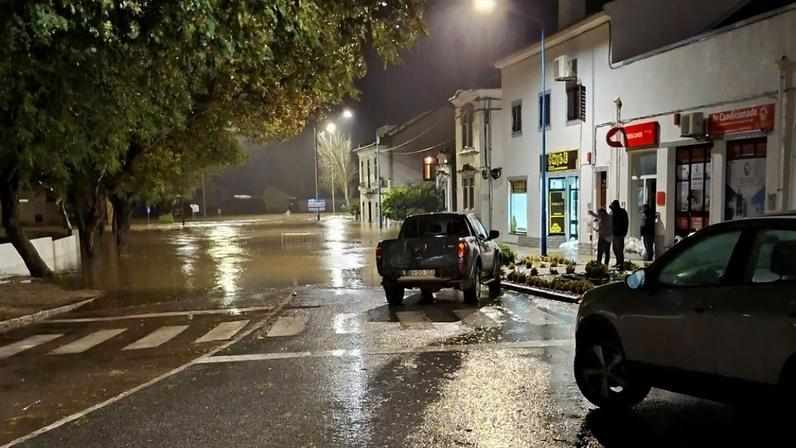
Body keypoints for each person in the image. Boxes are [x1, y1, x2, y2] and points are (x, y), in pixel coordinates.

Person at [609, 200, 628, 269]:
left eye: (613, 205)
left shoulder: (621, 212)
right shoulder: (613, 211)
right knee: (615, 249)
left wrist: (624, 232)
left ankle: (621, 264)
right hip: (614, 233)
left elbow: (626, 222)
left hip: (620, 233)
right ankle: (618, 262)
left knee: (619, 249)